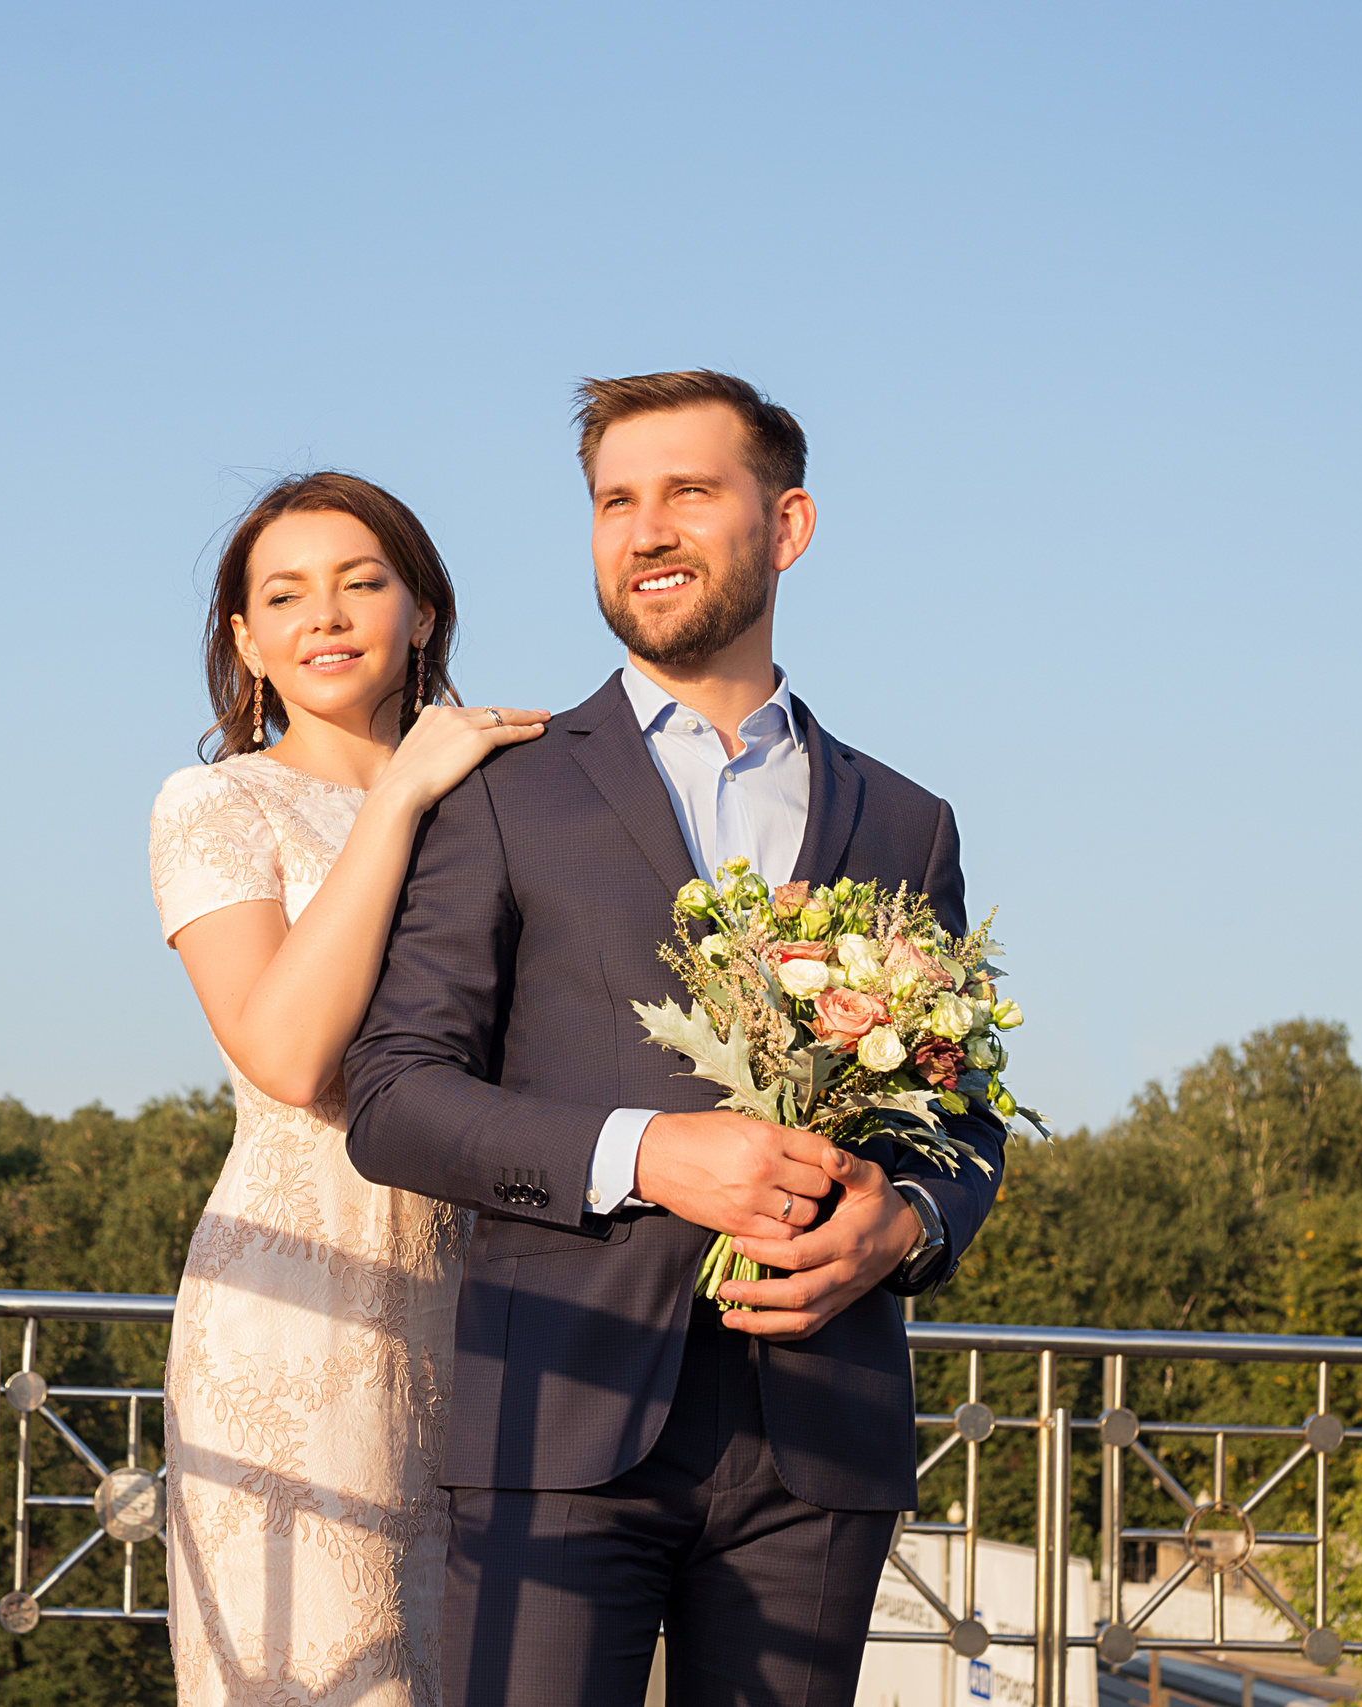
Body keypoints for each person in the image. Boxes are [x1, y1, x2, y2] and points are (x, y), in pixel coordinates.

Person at [343, 371, 1008, 1707]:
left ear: (789, 523)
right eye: (615, 501)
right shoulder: (502, 789)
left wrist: (908, 1224)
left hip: (820, 1443)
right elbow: (395, 1097)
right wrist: (649, 1153)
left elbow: (966, 1118)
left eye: (689, 493)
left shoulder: (906, 822)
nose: (646, 530)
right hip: (558, 1414)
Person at [148, 471, 549, 1707]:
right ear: (246, 640)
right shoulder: (214, 802)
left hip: (495, 1309)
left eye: (360, 582)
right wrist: (401, 799)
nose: (324, 616)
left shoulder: (512, 803)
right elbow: (287, 1055)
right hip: (296, 1303)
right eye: (285, 594)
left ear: (420, 613)